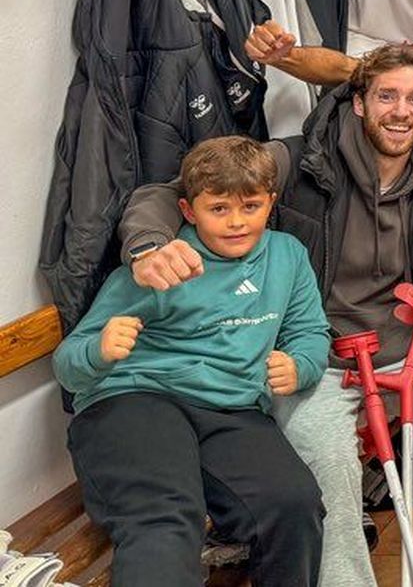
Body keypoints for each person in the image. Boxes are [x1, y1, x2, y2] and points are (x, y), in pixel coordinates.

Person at [118, 46, 413, 587]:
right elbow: (166, 196)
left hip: (407, 343)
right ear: (359, 102)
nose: (401, 111)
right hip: (313, 357)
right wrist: (147, 246)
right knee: (326, 457)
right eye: (387, 96)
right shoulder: (296, 160)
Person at [55, 136, 328, 587]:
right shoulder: (163, 263)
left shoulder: (286, 255)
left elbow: (309, 331)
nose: (237, 222)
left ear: (271, 204)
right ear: (187, 210)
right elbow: (68, 367)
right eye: (218, 209)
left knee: (294, 502)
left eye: (251, 206)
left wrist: (302, 364)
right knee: (165, 520)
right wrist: (99, 350)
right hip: (134, 399)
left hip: (230, 408)